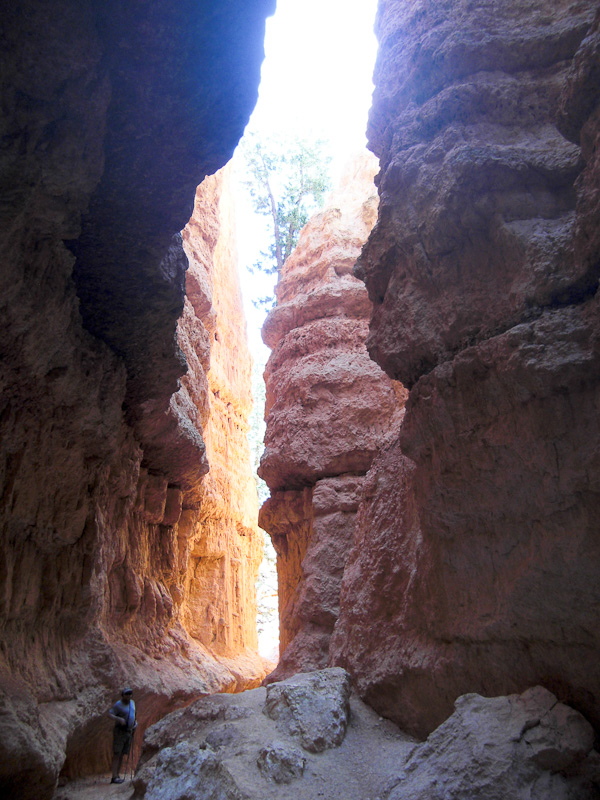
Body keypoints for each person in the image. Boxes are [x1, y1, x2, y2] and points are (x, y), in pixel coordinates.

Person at [108, 687, 137, 784]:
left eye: (130, 694)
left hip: (128, 732)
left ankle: (117, 775)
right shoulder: (118, 705)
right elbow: (110, 714)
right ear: (122, 695)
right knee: (117, 753)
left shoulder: (132, 703)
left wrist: (134, 723)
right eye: (127, 694)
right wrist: (119, 719)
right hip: (120, 731)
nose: (129, 696)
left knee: (122, 754)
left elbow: (133, 714)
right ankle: (114, 776)